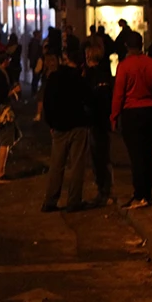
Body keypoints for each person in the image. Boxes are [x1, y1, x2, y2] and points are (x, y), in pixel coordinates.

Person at [111, 31, 152, 209]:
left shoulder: (124, 66)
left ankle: (139, 195)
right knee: (147, 153)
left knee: (136, 156)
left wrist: (114, 116)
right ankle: (148, 194)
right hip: (148, 110)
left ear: (126, 46)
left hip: (131, 112)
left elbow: (119, 94)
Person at [41, 48, 91, 212]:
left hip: (60, 127)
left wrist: (51, 124)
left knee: (56, 164)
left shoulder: (54, 78)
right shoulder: (79, 78)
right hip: (78, 125)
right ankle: (74, 200)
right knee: (77, 165)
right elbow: (87, 99)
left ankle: (50, 200)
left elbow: (47, 103)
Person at [84, 45, 114, 206]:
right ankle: (106, 189)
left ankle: (103, 190)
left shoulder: (89, 76)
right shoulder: (105, 74)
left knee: (97, 156)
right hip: (105, 119)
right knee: (105, 155)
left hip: (94, 120)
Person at [0, 52, 21, 183]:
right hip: (2, 109)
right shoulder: (0, 75)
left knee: (14, 135)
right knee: (6, 140)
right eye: (8, 59)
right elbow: (1, 94)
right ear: (4, 61)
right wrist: (14, 91)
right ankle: (0, 174)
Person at [28, 30, 43, 96]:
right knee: (36, 77)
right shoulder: (36, 43)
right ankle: (34, 91)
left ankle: (34, 91)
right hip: (36, 62)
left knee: (35, 77)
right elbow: (34, 54)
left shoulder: (33, 42)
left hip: (34, 62)